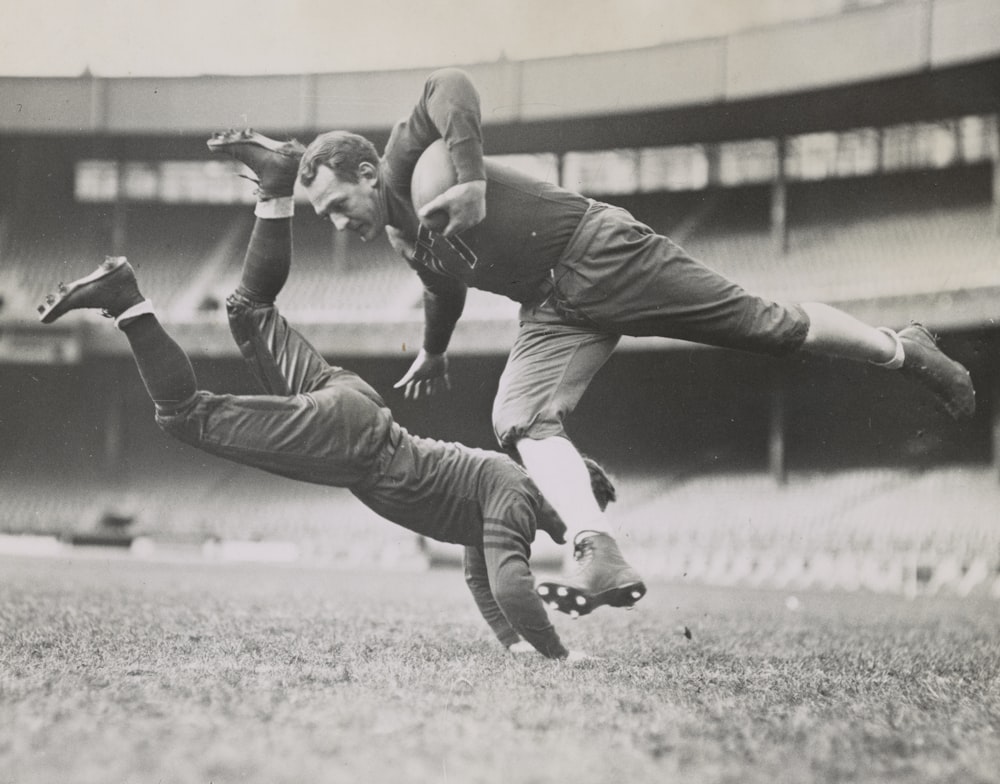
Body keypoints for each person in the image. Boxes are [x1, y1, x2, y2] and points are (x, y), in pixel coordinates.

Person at [226, 64, 977, 614]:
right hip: (551, 309)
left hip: (600, 251)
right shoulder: (398, 232)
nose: (335, 224)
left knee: (768, 328)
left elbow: (447, 86)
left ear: (362, 172)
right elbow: (444, 286)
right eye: (320, 215)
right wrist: (437, 347)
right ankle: (596, 549)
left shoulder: (405, 168)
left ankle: (903, 348)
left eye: (334, 205)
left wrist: (471, 175)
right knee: (516, 418)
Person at [35, 142, 627, 661]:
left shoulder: (504, 490)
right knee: (185, 416)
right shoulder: (517, 498)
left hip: (356, 408)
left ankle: (275, 184)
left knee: (249, 311)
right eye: (578, 519)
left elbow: (483, 579)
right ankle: (127, 300)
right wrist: (558, 654)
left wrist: (516, 645)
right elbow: (510, 584)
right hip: (356, 444)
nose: (572, 531)